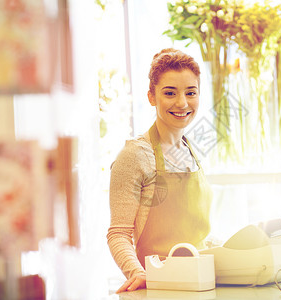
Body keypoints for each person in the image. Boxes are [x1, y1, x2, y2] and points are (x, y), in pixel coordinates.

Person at [107, 48, 213, 293]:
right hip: (159, 288)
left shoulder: (192, 151)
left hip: (202, 284)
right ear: (151, 97)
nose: (182, 103)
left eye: (191, 92)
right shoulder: (134, 156)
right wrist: (137, 272)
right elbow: (118, 233)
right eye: (169, 93)